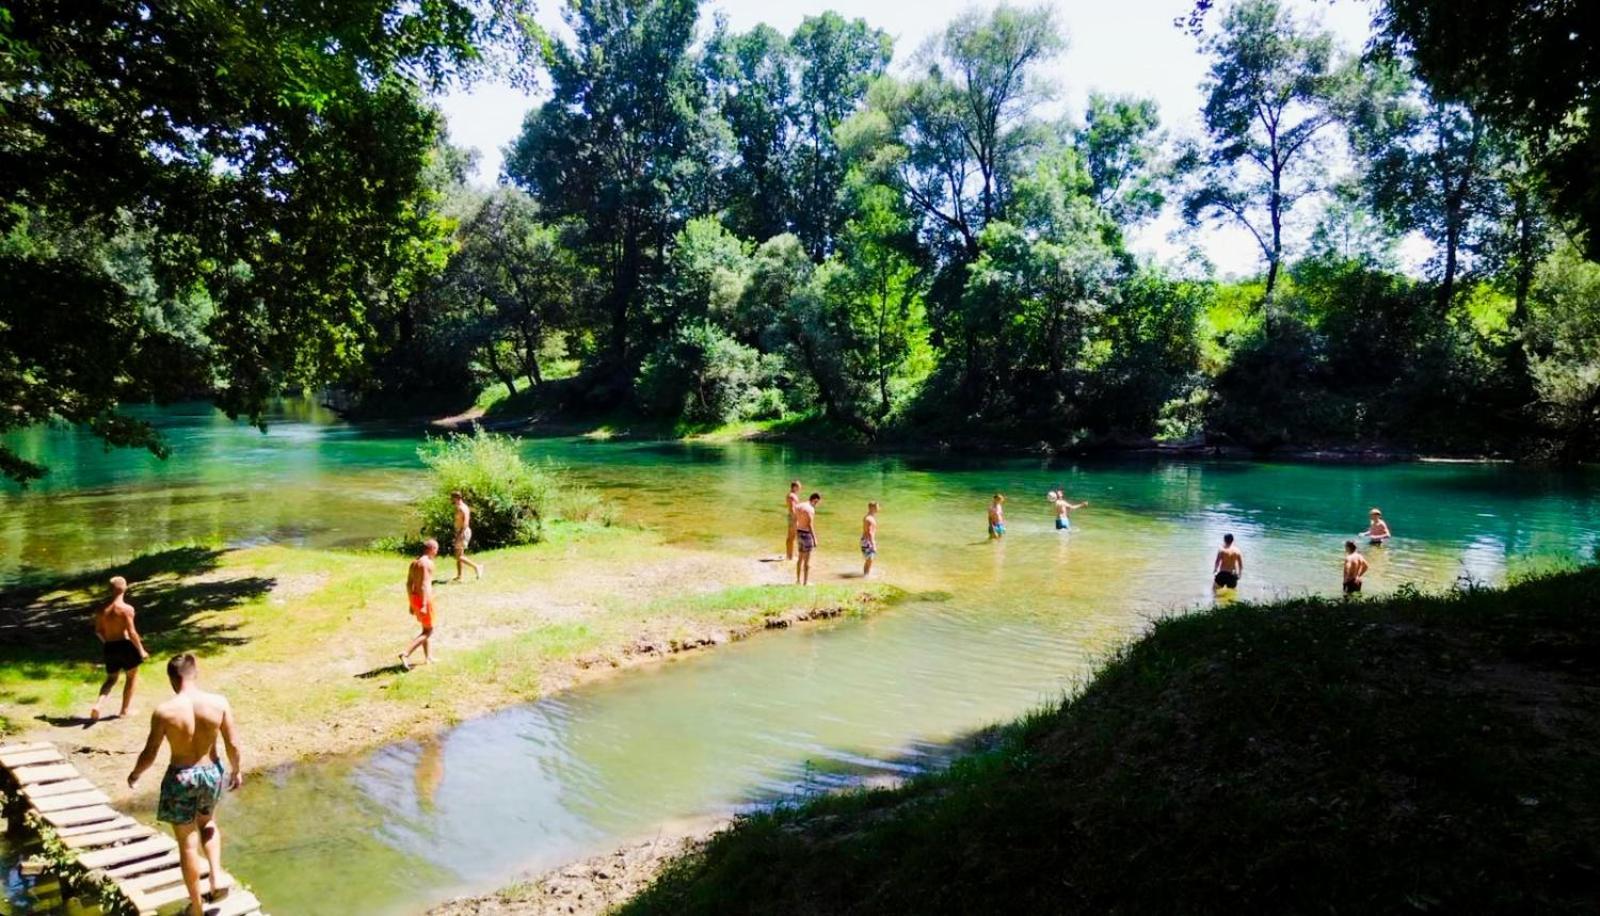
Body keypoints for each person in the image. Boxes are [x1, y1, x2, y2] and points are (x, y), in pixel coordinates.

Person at [128, 654, 243, 916]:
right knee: (208, 822)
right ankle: (215, 877)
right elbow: (233, 745)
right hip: (211, 772)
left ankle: (198, 909)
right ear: (196, 672)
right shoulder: (219, 703)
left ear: (172, 678)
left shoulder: (165, 711)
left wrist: (135, 775)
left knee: (188, 843)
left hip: (181, 776)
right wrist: (236, 771)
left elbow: (150, 753)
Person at [91, 576, 149, 721]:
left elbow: (98, 631)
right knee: (132, 677)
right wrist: (141, 650)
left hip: (109, 646)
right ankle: (124, 711)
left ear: (111, 589)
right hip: (125, 645)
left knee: (111, 679)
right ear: (124, 588)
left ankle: (98, 705)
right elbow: (132, 632)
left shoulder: (101, 610)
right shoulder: (126, 609)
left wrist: (107, 642)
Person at [400, 540, 440, 669]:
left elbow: (408, 584)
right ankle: (406, 653)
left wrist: (411, 603)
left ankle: (428, 657)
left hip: (414, 598)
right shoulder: (427, 563)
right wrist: (423, 604)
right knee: (429, 631)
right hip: (424, 599)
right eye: (436, 549)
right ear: (432, 548)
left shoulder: (414, 563)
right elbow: (424, 585)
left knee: (425, 628)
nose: (437, 552)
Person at [450, 491, 483, 582]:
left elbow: (465, 523)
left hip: (463, 532)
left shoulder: (462, 508)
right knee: (459, 554)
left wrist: (460, 534)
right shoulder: (459, 507)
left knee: (458, 556)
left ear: (456, 498)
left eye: (452, 498)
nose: (451, 500)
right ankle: (459, 576)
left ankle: (477, 567)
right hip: (460, 532)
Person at [794, 492, 821, 585]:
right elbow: (810, 525)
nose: (816, 504)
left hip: (799, 532)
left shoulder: (799, 505)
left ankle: (798, 580)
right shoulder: (811, 509)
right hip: (806, 534)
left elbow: (794, 518)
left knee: (800, 558)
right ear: (815, 499)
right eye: (817, 502)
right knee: (807, 561)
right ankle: (805, 582)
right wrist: (814, 538)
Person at [784, 481, 803, 560]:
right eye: (799, 487)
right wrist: (797, 518)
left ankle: (789, 555)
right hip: (793, 517)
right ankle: (790, 556)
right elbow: (792, 509)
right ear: (794, 487)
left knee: (791, 537)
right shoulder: (792, 496)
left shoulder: (791, 495)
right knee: (791, 537)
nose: (800, 488)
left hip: (792, 517)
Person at [860, 502, 879, 576]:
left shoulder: (869, 517)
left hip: (866, 540)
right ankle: (866, 575)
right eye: (877, 507)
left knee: (870, 559)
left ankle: (866, 574)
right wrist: (873, 544)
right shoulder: (869, 519)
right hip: (867, 541)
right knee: (870, 559)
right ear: (872, 508)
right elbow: (869, 532)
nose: (878, 509)